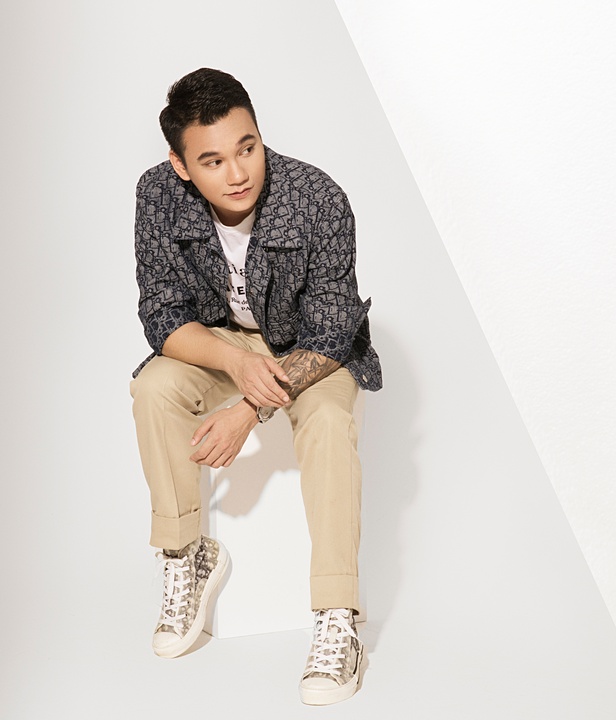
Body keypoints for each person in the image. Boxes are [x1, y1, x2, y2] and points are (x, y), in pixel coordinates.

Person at [130, 67, 382, 706]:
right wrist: (234, 364)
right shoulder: (157, 195)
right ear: (181, 166)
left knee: (327, 422)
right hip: (222, 343)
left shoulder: (316, 197)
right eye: (212, 161)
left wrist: (249, 405)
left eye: (248, 147)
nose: (238, 172)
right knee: (155, 388)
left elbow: (331, 331)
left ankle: (337, 617)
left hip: (308, 350)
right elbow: (162, 315)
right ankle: (186, 553)